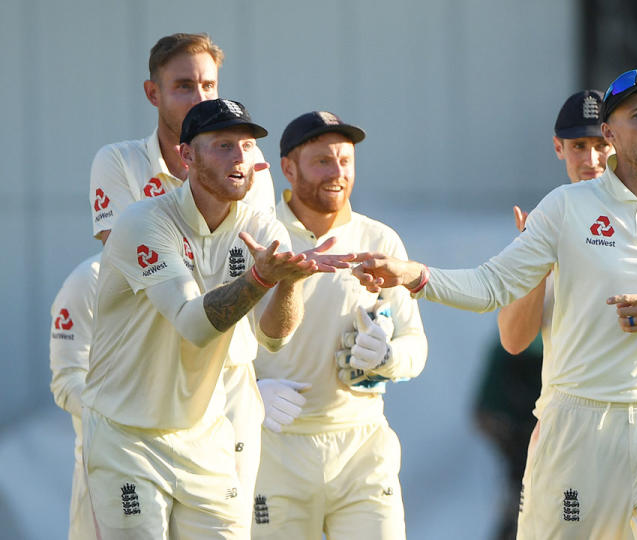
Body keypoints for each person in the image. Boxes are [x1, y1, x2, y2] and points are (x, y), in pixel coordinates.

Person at [353, 68, 637, 539]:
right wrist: (417, 274)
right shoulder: (564, 208)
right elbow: (491, 285)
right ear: (610, 134)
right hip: (580, 424)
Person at [82, 99, 353, 538]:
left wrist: (289, 283)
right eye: (223, 146)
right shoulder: (144, 222)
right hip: (126, 436)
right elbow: (193, 325)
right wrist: (261, 277)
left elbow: (275, 338)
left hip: (206, 435)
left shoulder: (262, 227)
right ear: (187, 156)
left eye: (246, 146)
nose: (239, 159)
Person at [86, 32, 277, 513]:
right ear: (154, 94)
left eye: (209, 85)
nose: (200, 98)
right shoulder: (119, 161)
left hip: (227, 378)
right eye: (184, 86)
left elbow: (256, 260)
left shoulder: (247, 162)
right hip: (144, 382)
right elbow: (143, 264)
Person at [250, 111, 427, 539]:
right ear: (287, 168)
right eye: (323, 161)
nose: (338, 173)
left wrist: (389, 358)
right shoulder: (257, 237)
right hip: (275, 450)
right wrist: (249, 392)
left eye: (346, 161)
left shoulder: (379, 240)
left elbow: (415, 345)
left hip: (362, 445)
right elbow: (212, 340)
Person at [474, 89, 613, 540]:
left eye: (600, 144)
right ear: (559, 149)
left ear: (618, 140)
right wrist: (536, 268)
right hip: (564, 430)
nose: (591, 158)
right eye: (578, 146)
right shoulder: (544, 227)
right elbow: (512, 342)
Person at [49, 253, 100, 539]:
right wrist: (121, 416)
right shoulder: (88, 279)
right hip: (106, 469)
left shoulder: (183, 270)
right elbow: (66, 382)